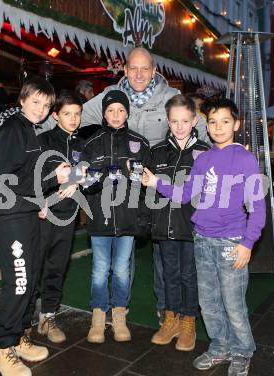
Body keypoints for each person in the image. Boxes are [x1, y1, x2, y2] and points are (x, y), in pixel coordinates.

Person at [81, 46, 212, 323]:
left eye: (145, 68)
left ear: (154, 70)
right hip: (124, 188)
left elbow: (198, 127)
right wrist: (39, 127)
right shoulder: (109, 97)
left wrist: (223, 155)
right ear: (125, 70)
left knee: (163, 250)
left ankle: (167, 308)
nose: (139, 74)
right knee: (122, 249)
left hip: (159, 186)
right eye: (133, 68)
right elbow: (75, 116)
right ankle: (120, 308)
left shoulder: (170, 98)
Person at [143, 98, 266, 376]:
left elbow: (257, 206)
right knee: (208, 301)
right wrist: (155, 182)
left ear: (236, 124)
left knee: (233, 303)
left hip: (231, 242)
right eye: (213, 121)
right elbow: (186, 195)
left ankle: (242, 351)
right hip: (202, 239)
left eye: (225, 121)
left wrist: (248, 243)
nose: (218, 127)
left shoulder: (244, 158)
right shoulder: (204, 158)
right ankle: (220, 348)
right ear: (206, 125)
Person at [0, 77, 70, 376]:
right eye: (36, 102)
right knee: (19, 282)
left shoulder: (29, 130)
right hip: (10, 216)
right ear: (22, 100)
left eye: (47, 105)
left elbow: (27, 175)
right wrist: (53, 179)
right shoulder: (13, 129)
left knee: (31, 277)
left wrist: (47, 191)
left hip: (25, 212)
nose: (41, 109)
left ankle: (18, 336)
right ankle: (1, 348)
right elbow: (6, 181)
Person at [82, 90, 150, 344]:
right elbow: (85, 184)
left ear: (127, 113)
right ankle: (98, 318)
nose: (116, 115)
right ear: (104, 113)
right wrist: (99, 178)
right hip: (99, 219)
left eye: (121, 110)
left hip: (127, 219)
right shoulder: (90, 143)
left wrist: (133, 176)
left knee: (121, 270)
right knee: (100, 271)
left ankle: (119, 316)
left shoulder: (139, 143)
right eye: (111, 110)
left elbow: (145, 184)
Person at [149, 94, 210, 352]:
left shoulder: (206, 153)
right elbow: (148, 193)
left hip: (193, 227)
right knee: (169, 275)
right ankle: (171, 318)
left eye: (185, 120)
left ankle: (188, 322)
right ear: (168, 121)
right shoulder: (157, 152)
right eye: (174, 121)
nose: (180, 126)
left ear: (195, 120)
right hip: (165, 226)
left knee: (189, 275)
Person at [35, 90, 85, 343]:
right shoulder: (42, 141)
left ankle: (47, 316)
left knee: (57, 266)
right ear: (55, 115)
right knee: (35, 266)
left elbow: (87, 172)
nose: (73, 119)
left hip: (68, 215)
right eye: (67, 114)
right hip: (42, 214)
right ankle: (21, 320)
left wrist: (76, 181)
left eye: (77, 114)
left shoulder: (81, 144)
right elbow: (32, 178)